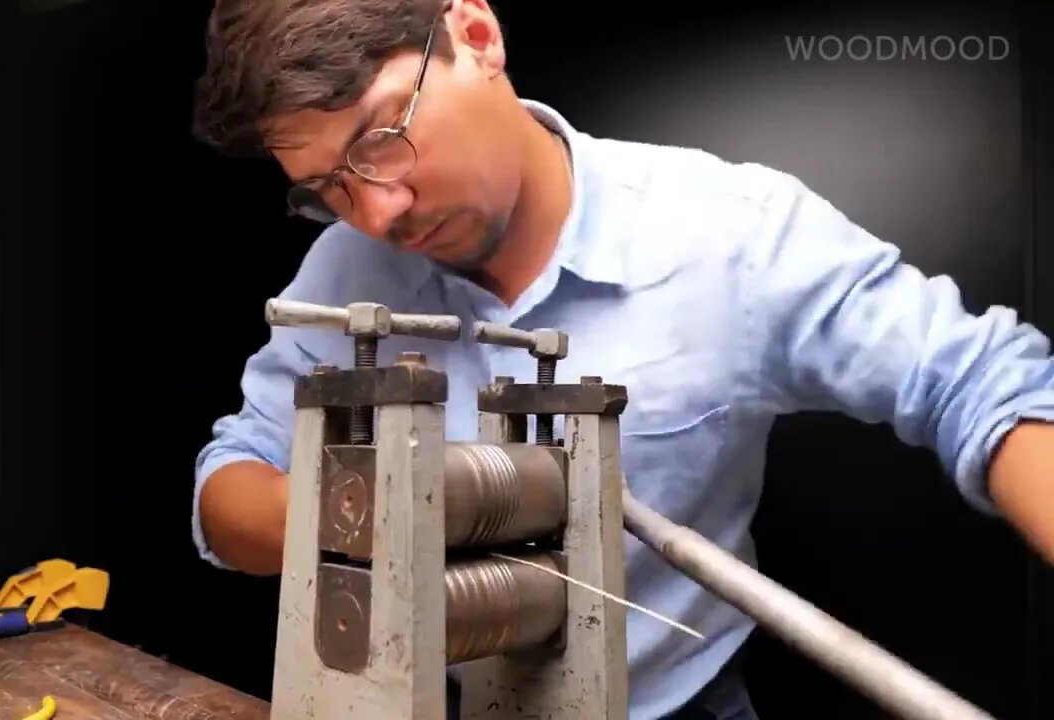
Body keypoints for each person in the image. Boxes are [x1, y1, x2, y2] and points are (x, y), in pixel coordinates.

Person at [187, 1, 1054, 718]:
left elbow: (982, 384)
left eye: (381, 140)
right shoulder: (343, 270)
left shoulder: (730, 233)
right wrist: (381, 511)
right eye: (328, 185)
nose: (377, 210)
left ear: (477, 37)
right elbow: (229, 487)